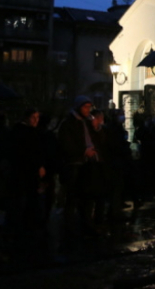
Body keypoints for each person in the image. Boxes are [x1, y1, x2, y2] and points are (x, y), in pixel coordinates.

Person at [3, 108, 46, 243]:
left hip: (28, 172)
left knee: (27, 202)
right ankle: (19, 231)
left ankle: (24, 229)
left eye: (37, 117)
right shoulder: (21, 133)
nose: (36, 120)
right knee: (21, 202)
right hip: (23, 173)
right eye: (33, 117)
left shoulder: (28, 132)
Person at [57, 95, 96, 236]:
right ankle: (69, 227)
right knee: (72, 196)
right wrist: (83, 151)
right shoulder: (68, 124)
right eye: (85, 107)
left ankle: (85, 224)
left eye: (89, 107)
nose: (87, 110)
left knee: (86, 196)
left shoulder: (86, 122)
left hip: (86, 164)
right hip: (74, 163)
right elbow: (66, 144)